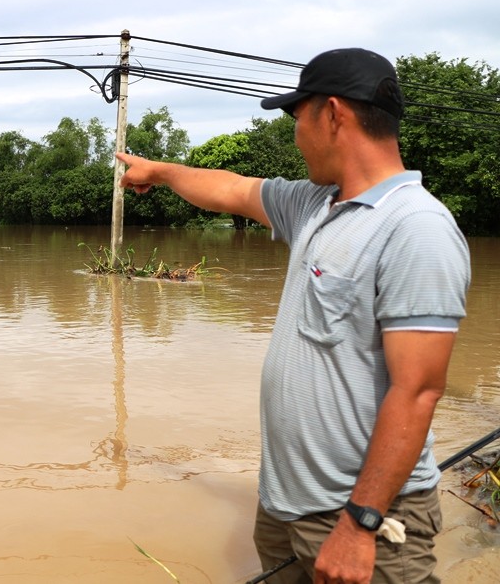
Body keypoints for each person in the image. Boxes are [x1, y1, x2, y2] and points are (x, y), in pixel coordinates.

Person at [117, 48, 470, 584]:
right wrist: (161, 172)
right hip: (287, 506)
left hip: (360, 517)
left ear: (332, 114)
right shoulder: (315, 205)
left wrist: (360, 522)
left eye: (296, 118)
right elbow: (232, 189)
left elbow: (418, 391)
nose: (295, 134)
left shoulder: (415, 227)